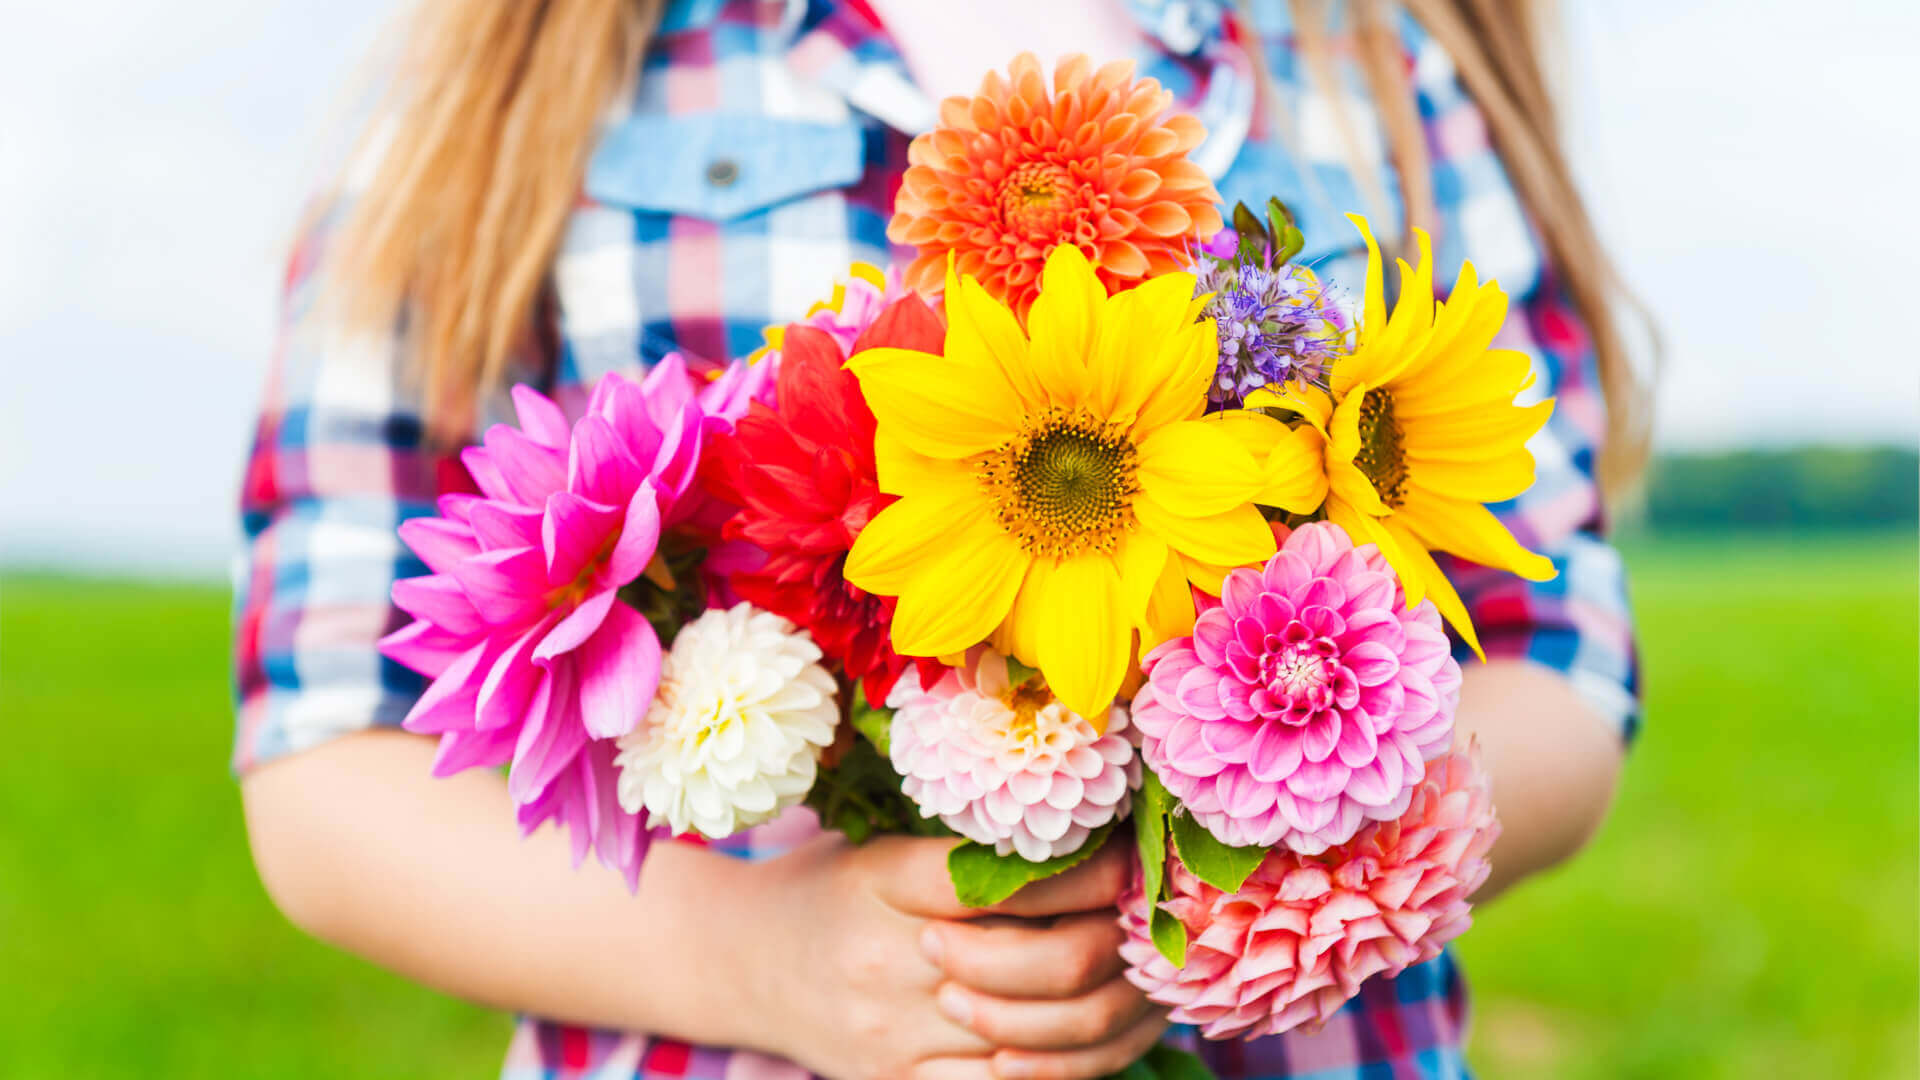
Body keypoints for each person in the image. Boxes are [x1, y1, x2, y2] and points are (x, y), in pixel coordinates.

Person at [233, 1, 1644, 1077]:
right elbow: (330, 759)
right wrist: (761, 962)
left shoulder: (1371, 65)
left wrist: (1267, 865)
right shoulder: (513, 84)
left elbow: (1554, 657)